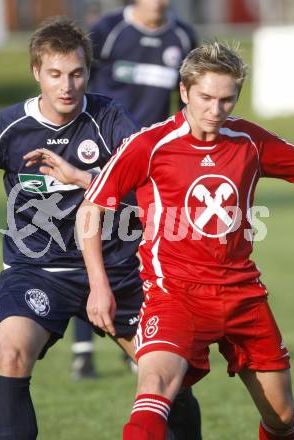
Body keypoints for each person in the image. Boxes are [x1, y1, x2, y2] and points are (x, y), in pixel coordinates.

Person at [0, 17, 200, 440]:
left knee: (168, 377)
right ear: (36, 73)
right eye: (55, 74)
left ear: (88, 71)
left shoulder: (111, 119)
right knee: (11, 354)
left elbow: (155, 189)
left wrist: (82, 177)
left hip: (117, 268)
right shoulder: (6, 129)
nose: (68, 85)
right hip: (39, 270)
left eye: (77, 73)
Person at [77, 41, 294, 440]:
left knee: (282, 416)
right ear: (185, 91)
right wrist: (98, 284)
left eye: (227, 100)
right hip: (175, 294)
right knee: (154, 390)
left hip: (243, 294)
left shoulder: (249, 141)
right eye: (206, 97)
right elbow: (91, 210)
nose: (215, 109)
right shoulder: (149, 145)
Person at [71, 0, 197, 380]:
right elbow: (76, 86)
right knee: (93, 246)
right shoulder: (109, 31)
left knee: (142, 251)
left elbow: (187, 101)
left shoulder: (182, 36)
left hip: (153, 164)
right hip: (105, 157)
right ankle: (83, 351)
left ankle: (137, 339)